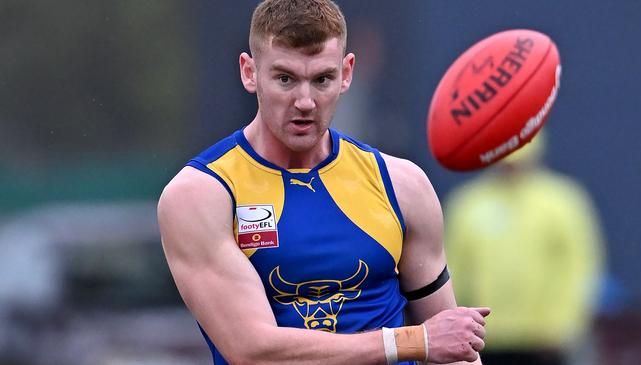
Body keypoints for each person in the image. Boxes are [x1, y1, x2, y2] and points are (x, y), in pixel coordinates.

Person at [157, 1, 489, 363]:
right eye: (285, 79)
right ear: (249, 72)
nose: (304, 101)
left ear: (346, 74)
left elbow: (454, 347)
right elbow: (254, 352)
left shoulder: (402, 184)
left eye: (322, 80)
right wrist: (412, 341)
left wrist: (434, 343)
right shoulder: (201, 194)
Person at [444, 132, 604, 365]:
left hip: (544, 341)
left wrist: (561, 325)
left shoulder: (563, 202)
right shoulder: (468, 204)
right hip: (484, 338)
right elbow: (451, 270)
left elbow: (579, 268)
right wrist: (457, 325)